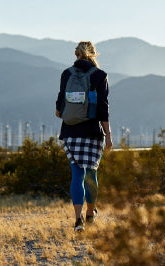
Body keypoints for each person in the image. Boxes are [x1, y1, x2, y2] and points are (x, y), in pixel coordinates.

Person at [56, 41, 112, 232]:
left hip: (70, 132)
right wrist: (109, 135)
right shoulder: (100, 75)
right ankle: (90, 214)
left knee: (76, 175)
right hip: (92, 133)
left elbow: (58, 109)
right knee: (91, 175)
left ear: (77, 54)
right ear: (94, 54)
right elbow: (103, 109)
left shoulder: (66, 74)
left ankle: (78, 220)